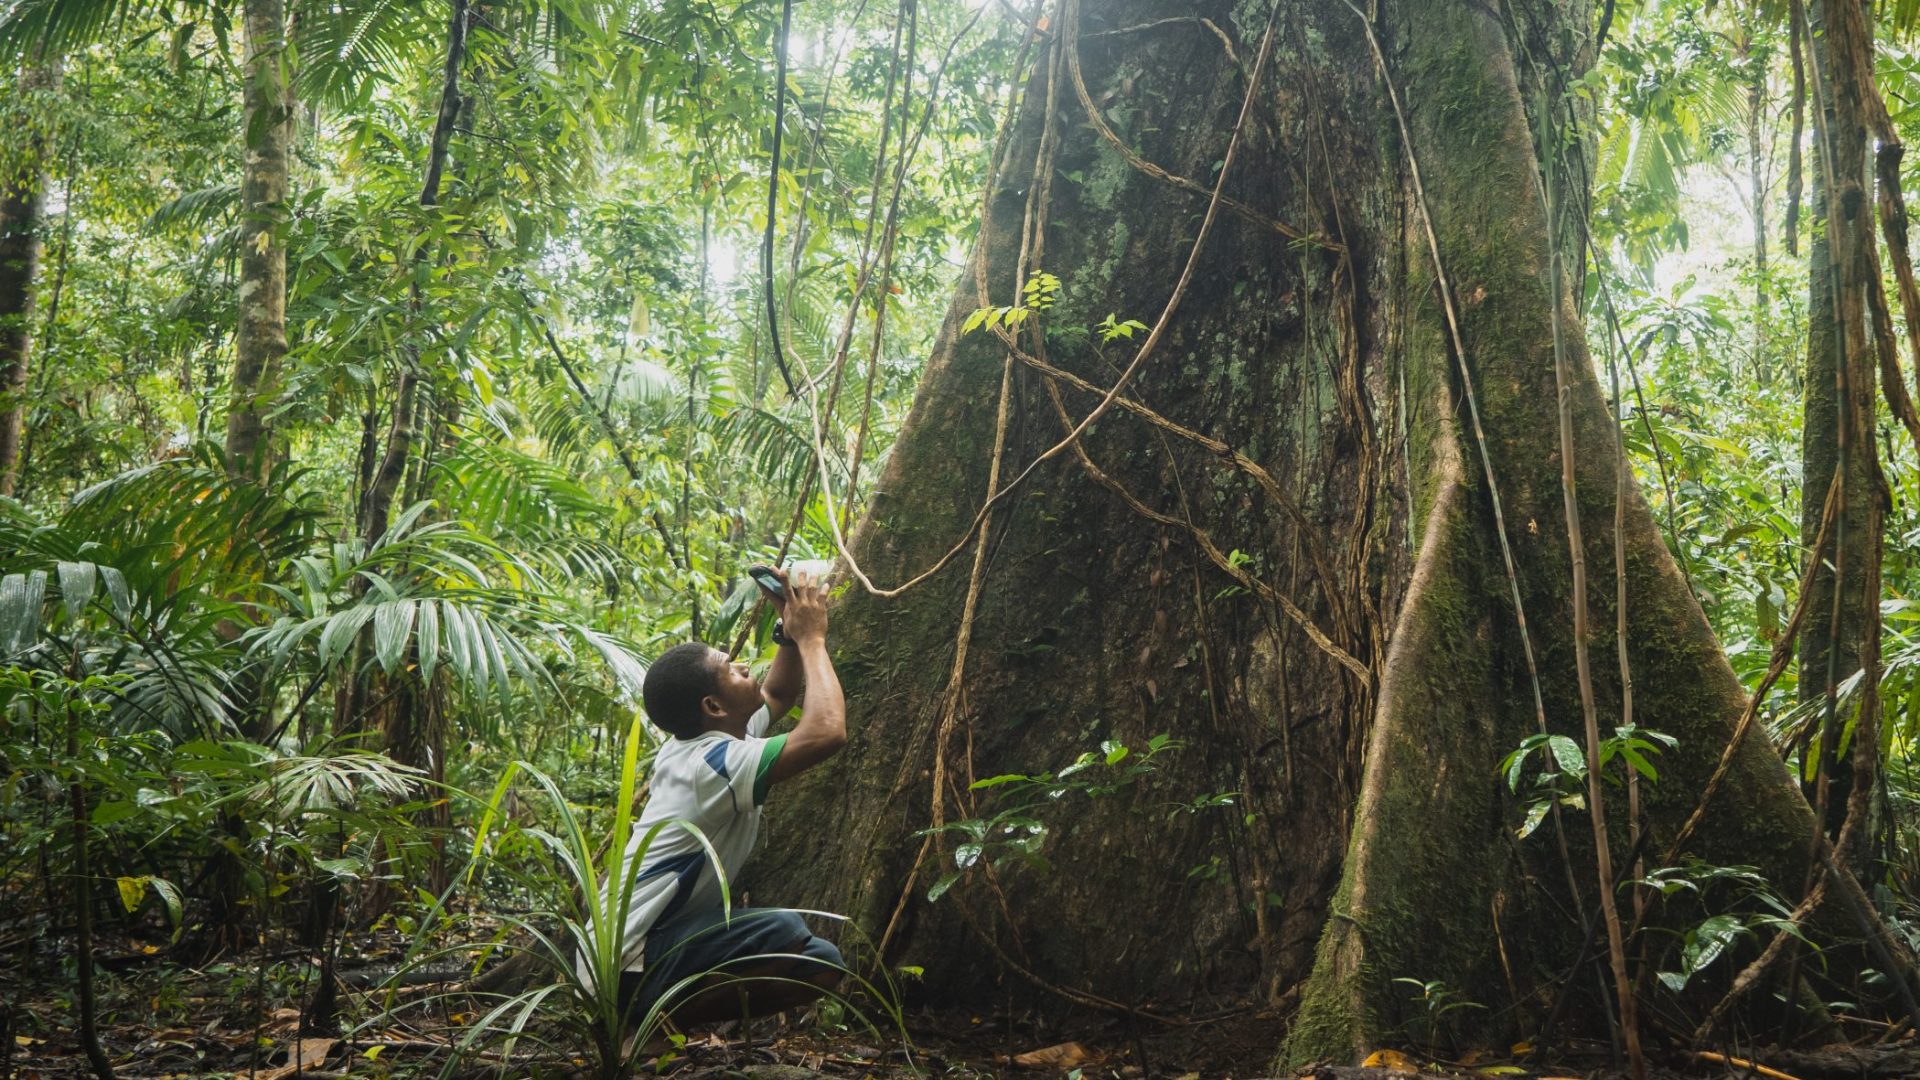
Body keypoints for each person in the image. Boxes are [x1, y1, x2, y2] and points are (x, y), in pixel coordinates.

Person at [608, 565, 847, 1030]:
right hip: (631, 958)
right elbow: (827, 732)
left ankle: (658, 1019)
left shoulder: (712, 738)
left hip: (639, 949)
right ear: (713, 707)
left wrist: (787, 630)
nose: (743, 667)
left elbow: (777, 691)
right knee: (782, 930)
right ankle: (646, 1023)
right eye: (730, 669)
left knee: (822, 960)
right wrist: (813, 639)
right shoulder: (713, 764)